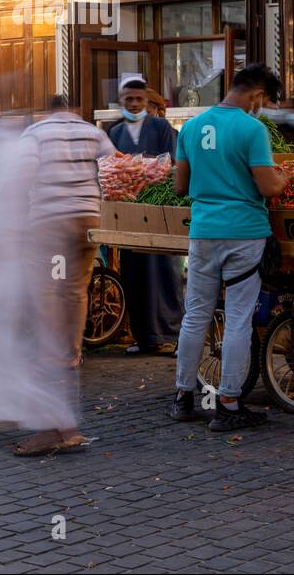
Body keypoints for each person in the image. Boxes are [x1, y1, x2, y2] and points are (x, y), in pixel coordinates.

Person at [169, 65, 288, 431]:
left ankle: (183, 396)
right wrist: (283, 177)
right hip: (244, 233)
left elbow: (180, 186)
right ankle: (229, 404)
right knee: (238, 318)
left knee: (196, 315)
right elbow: (268, 187)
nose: (261, 108)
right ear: (256, 95)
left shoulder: (189, 127)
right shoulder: (251, 130)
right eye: (264, 101)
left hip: (203, 232)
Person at [10, 94, 113, 455]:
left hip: (50, 227)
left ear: (45, 111)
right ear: (73, 109)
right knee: (72, 297)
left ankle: (53, 426)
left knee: (46, 312)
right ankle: (66, 408)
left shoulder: (36, 134)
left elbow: (19, 179)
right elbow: (116, 170)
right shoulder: (90, 132)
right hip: (88, 223)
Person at [107, 79, 183, 356]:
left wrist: (143, 167)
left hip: (158, 210)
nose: (134, 104)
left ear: (145, 101)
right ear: (122, 101)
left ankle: (170, 335)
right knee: (133, 270)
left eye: (139, 99)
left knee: (164, 271)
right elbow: (109, 165)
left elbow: (172, 163)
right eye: (129, 100)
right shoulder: (114, 132)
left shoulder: (162, 128)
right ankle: (142, 336)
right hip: (129, 211)